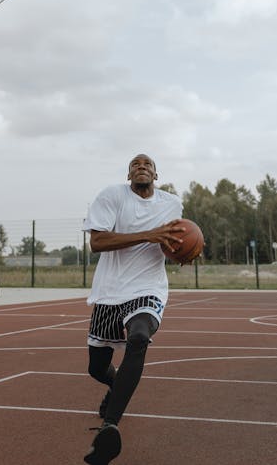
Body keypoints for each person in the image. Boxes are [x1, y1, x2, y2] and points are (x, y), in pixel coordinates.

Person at [82, 153, 185, 465]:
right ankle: (115, 386)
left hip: (147, 289)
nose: (142, 166)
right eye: (135, 164)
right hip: (110, 291)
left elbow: (173, 246)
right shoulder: (112, 196)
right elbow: (97, 242)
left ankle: (110, 427)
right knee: (96, 368)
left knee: (139, 338)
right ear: (129, 175)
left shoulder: (172, 204)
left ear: (156, 174)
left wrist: (183, 251)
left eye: (148, 164)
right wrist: (147, 235)